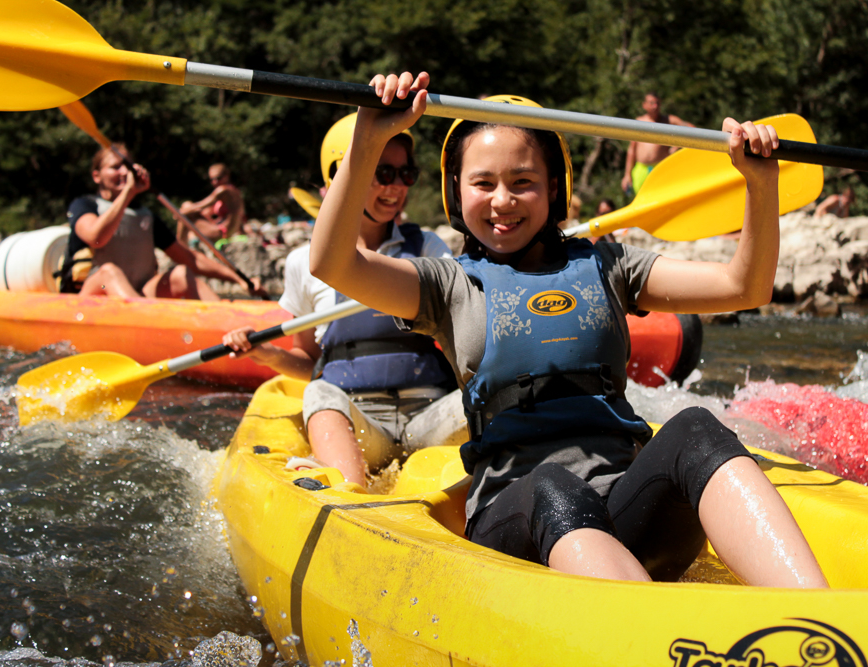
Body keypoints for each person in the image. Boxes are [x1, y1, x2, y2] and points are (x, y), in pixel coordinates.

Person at [310, 72, 827, 588]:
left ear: (553, 187)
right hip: (518, 520)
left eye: (522, 182)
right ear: (456, 191)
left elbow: (744, 287)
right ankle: (650, 638)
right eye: (483, 183)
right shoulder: (448, 284)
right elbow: (335, 263)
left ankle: (821, 614)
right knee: (553, 487)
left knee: (696, 426)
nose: (503, 200)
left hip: (627, 510)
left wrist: (760, 184)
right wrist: (368, 138)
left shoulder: (611, 266)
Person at [222, 114, 465, 487]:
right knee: (319, 390)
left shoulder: (428, 248)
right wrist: (268, 356)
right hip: (362, 425)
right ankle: (350, 490)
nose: (396, 186)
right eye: (382, 172)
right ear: (339, 178)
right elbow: (310, 363)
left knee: (487, 395)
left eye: (406, 174)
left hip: (430, 417)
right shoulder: (304, 263)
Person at [60, 145, 256, 300]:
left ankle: (226, 324)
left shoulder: (146, 216)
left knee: (181, 273)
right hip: (95, 293)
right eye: (115, 167)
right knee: (109, 273)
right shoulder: (84, 205)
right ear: (97, 176)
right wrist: (129, 191)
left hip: (138, 295)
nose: (124, 172)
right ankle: (142, 322)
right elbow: (96, 238)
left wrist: (239, 279)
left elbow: (191, 259)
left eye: (127, 166)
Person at [620, 92, 696, 195]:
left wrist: (678, 145)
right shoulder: (639, 121)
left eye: (657, 103)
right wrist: (627, 174)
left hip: (661, 167)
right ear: (644, 105)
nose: (655, 106)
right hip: (641, 169)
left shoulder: (668, 120)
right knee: (643, 201)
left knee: (664, 198)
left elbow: (692, 129)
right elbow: (631, 150)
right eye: (651, 103)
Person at [177, 163, 246, 245]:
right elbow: (206, 211)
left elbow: (200, 205)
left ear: (227, 175)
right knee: (187, 207)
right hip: (224, 230)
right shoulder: (233, 191)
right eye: (212, 179)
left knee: (186, 210)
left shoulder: (223, 190)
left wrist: (178, 213)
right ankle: (184, 246)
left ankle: (180, 247)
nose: (214, 182)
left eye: (218, 178)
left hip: (223, 233)